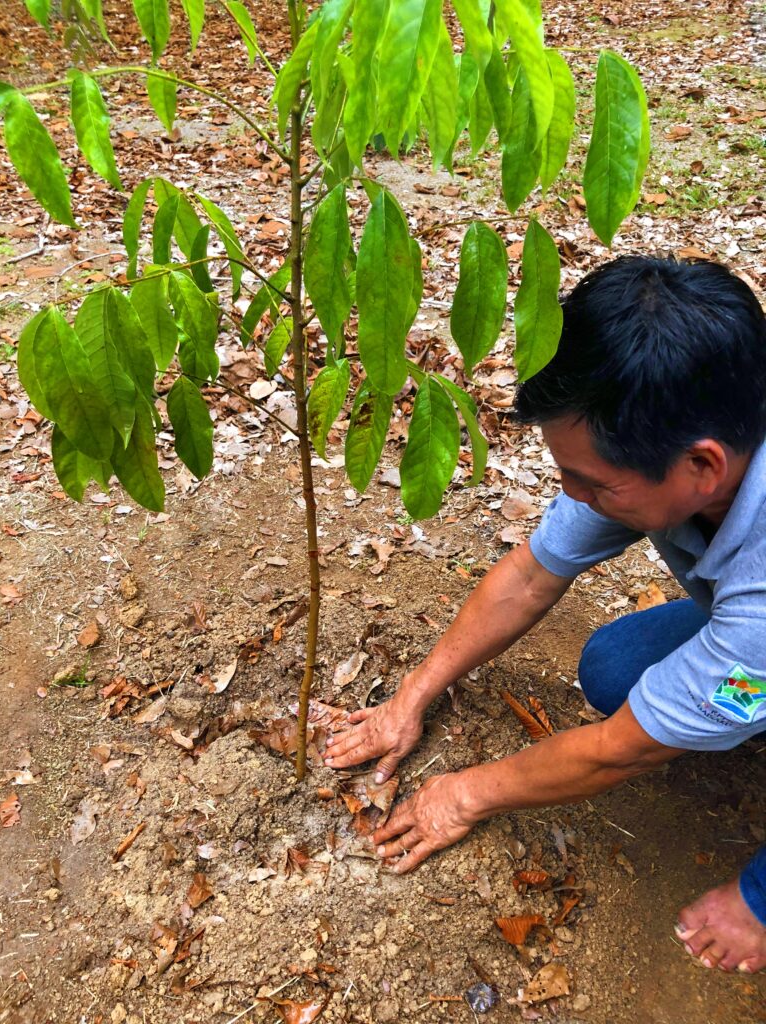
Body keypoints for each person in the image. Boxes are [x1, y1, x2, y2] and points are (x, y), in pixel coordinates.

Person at [324, 256, 766, 974]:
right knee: (616, 670)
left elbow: (627, 747)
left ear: (703, 467)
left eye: (593, 482)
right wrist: (412, 697)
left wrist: (464, 795)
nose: (571, 495)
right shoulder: (690, 426)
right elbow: (531, 574)